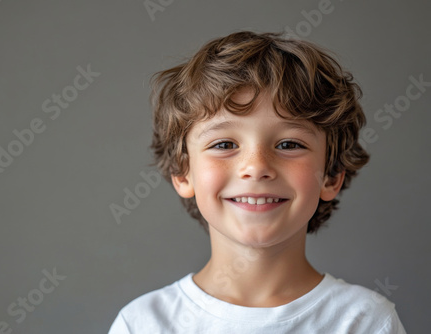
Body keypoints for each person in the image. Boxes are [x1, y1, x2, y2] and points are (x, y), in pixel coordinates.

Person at [108, 31, 406, 333]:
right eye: (224, 145)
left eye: (289, 144)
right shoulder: (142, 324)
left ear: (331, 175)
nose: (256, 167)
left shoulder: (365, 322)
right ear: (183, 173)